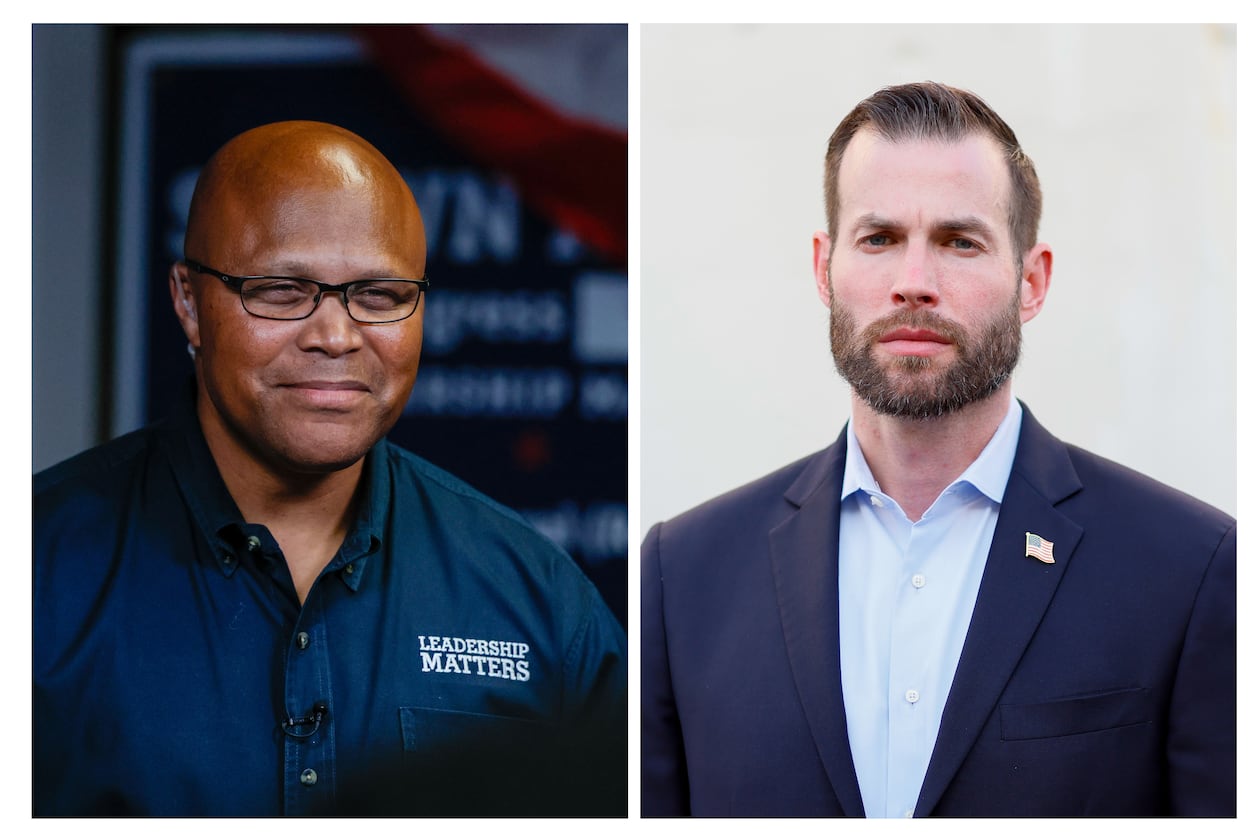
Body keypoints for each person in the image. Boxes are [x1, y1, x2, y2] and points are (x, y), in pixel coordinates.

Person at [640, 82, 1235, 817]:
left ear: (1033, 280)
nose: (913, 284)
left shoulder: (1191, 568)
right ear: (825, 269)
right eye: (879, 238)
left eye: (960, 241)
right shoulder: (684, 576)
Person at [34, 121, 627, 817]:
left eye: (379, 295)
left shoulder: (540, 599)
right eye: (283, 290)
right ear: (189, 302)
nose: (336, 336)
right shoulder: (36, 569)